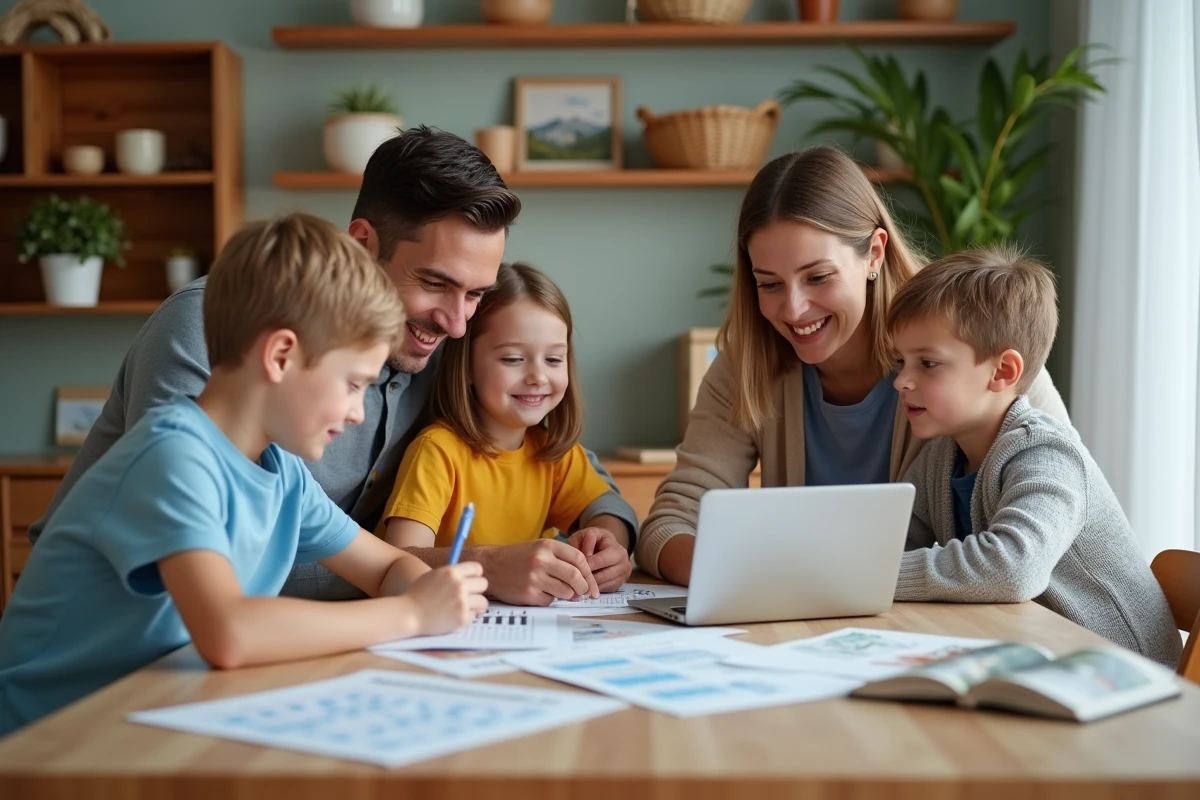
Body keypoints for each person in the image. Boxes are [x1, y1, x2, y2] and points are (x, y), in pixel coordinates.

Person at [28, 126, 637, 604]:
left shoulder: (454, 345)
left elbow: (556, 453)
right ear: (362, 244)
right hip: (128, 656)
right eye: (434, 283)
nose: (456, 323)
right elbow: (215, 576)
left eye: (475, 294)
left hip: (311, 638)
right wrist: (473, 563)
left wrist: (608, 528)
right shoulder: (215, 332)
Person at [0, 214, 490, 735]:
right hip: (44, 742)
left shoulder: (282, 473)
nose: (357, 413)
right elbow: (229, 633)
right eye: (351, 384)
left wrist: (432, 593)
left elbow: (388, 567)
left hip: (145, 721)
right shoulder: (172, 457)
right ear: (280, 355)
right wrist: (412, 616)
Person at [637, 145, 1069, 585]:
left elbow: (1046, 530)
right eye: (769, 284)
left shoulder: (974, 354)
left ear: (874, 254)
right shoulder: (749, 364)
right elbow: (672, 522)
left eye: (818, 277)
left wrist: (817, 574)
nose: (794, 309)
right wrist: (752, 575)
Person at [887, 247, 1181, 667]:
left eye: (927, 363)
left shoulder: (1047, 453)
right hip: (1039, 659)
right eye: (901, 362)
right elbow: (890, 545)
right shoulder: (939, 458)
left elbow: (1012, 566)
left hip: (1122, 675)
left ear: (1002, 371)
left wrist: (874, 575)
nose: (901, 381)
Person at [382, 263, 632, 605]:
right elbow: (398, 559)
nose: (538, 377)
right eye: (513, 359)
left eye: (554, 360)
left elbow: (602, 509)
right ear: (467, 367)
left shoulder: (554, 454)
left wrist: (606, 543)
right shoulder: (438, 451)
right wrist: (490, 568)